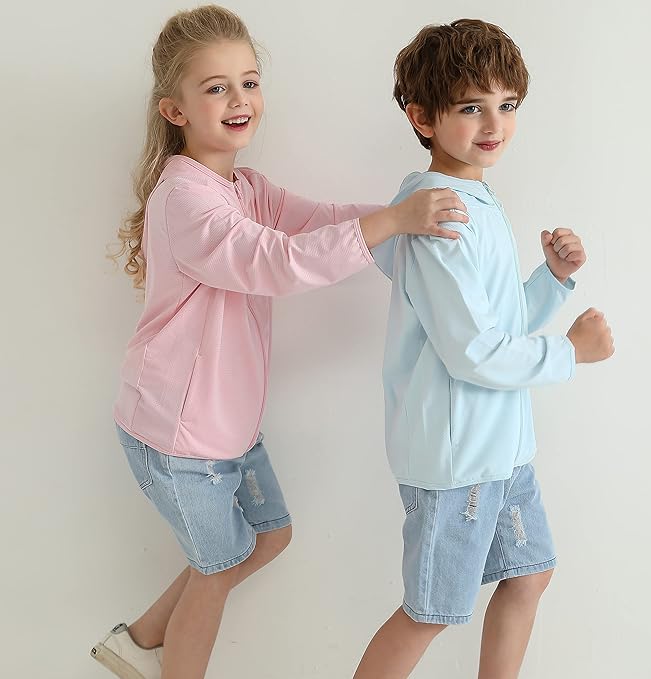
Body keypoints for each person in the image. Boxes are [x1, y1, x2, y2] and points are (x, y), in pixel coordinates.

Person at [91, 5, 468, 679]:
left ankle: (140, 640)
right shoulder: (185, 200)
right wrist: (391, 223)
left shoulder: (244, 188)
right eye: (216, 88)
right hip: (179, 435)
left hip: (225, 427)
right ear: (175, 110)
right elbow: (275, 262)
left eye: (249, 82)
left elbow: (316, 221)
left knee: (269, 535)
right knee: (217, 568)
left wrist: (401, 219)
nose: (239, 99)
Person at [357, 19, 614, 679]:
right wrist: (569, 352)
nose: (494, 123)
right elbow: (473, 352)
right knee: (431, 610)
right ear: (422, 117)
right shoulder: (439, 214)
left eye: (507, 104)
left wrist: (551, 280)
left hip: (499, 448)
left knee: (529, 573)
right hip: (459, 460)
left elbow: (495, 322)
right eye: (471, 107)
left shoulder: (473, 198)